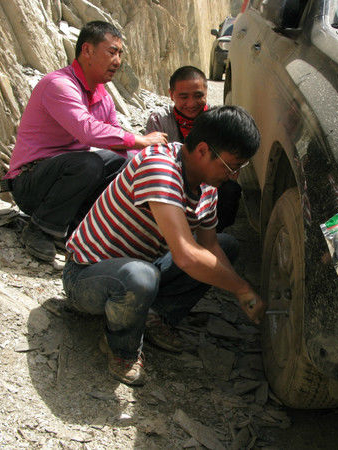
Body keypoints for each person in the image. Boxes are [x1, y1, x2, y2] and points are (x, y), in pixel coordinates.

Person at [62, 106, 266, 386]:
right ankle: (122, 348)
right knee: (142, 277)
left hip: (142, 265)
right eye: (231, 166)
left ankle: (155, 315)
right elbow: (185, 254)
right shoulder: (160, 166)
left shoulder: (207, 187)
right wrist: (242, 289)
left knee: (227, 246)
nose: (234, 176)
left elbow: (210, 247)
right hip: (86, 275)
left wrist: (238, 285)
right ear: (203, 150)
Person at [5, 21, 167, 262]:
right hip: (30, 182)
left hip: (62, 178)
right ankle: (41, 228)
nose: (118, 61)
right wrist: (140, 140)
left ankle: (79, 227)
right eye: (111, 52)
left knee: (124, 163)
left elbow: (118, 145)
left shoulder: (103, 96)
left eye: (120, 54)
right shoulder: (59, 85)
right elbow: (86, 131)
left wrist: (135, 166)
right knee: (89, 163)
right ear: (87, 51)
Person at [145, 66, 242, 232]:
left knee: (231, 190)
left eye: (198, 96)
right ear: (171, 94)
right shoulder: (159, 120)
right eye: (183, 97)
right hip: (171, 182)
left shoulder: (219, 120)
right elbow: (152, 163)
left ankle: (213, 233)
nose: (191, 104)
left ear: (206, 92)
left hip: (209, 183)